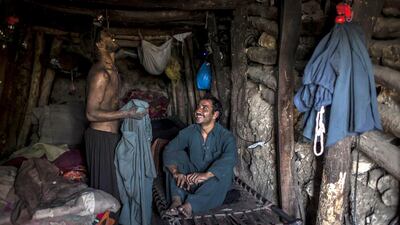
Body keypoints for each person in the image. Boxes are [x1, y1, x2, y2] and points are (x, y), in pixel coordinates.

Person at [85, 30, 146, 201]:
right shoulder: (101, 74)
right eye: (106, 35)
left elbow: (110, 103)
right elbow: (90, 113)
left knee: (116, 191)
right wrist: (127, 113)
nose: (112, 36)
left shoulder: (113, 71)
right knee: (105, 194)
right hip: (100, 137)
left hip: (112, 136)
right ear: (99, 44)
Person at [163, 94, 237, 218]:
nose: (198, 111)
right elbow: (170, 150)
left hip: (211, 184)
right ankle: (176, 201)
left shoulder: (226, 136)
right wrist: (176, 172)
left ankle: (190, 205)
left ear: (215, 115)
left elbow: (230, 158)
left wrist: (206, 175)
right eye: (198, 107)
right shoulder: (190, 131)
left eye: (204, 108)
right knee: (176, 157)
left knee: (225, 172)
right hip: (191, 178)